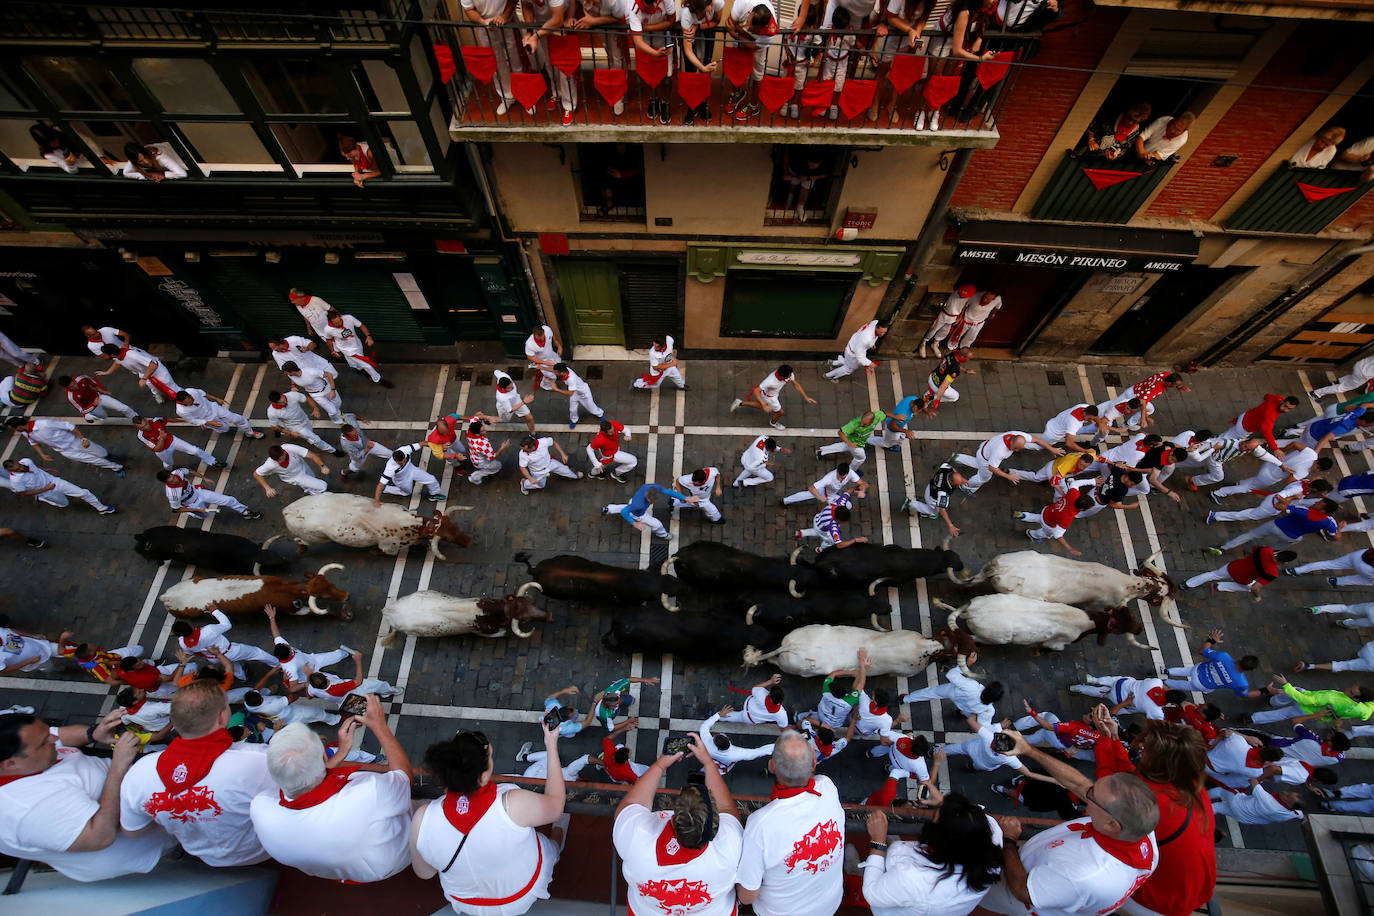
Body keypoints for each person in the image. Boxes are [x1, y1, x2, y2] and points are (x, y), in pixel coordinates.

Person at [979, 728, 1161, 916]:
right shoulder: (1137, 824)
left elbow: (1022, 890)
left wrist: (1009, 841)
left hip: (1011, 899)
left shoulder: (1085, 874)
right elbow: (1079, 784)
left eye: (1092, 795)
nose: (1084, 793)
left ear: (1112, 825)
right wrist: (1028, 750)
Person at [410, 721, 568, 914]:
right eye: (491, 757)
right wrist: (551, 746)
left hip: (467, 904)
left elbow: (424, 873)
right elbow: (556, 805)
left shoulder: (422, 820)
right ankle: (558, 841)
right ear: (483, 777)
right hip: (521, 894)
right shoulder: (513, 803)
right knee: (550, 841)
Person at [250, 698, 411, 882]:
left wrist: (341, 754)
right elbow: (404, 776)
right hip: (397, 855)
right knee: (421, 809)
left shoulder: (260, 808)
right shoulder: (368, 792)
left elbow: (308, 785)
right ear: (325, 758)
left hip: (348, 873)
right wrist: (380, 727)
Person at [0, 709, 170, 882]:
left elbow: (60, 735)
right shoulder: (25, 809)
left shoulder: (28, 745)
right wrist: (119, 767)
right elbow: (100, 836)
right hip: (140, 837)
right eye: (45, 742)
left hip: (127, 773)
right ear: (11, 764)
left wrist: (93, 733)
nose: (55, 740)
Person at [119, 679, 275, 866]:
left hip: (204, 857)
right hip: (264, 849)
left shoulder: (139, 774)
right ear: (222, 717)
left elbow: (132, 830)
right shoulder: (258, 760)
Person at [1089, 711, 1216, 916]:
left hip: (1155, 900)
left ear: (1159, 762)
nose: (1141, 750)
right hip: (1190, 892)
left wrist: (1106, 740)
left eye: (1145, 749)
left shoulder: (1151, 802)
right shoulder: (1189, 785)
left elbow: (1107, 789)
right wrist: (1113, 739)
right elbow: (1131, 779)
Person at [614, 732, 743, 916]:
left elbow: (628, 807)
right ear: (714, 824)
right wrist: (708, 763)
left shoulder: (638, 837)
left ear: (673, 818)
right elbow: (729, 811)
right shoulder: (730, 846)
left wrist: (660, 765)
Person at [735, 728, 844, 916]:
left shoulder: (761, 824)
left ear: (772, 766)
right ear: (814, 762)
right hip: (829, 905)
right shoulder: (827, 787)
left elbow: (746, 897)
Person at [862, 796, 1001, 916]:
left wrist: (878, 841)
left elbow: (871, 894)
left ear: (939, 841)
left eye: (934, 817)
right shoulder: (992, 846)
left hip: (894, 899)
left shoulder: (912, 878)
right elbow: (980, 819)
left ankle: (856, 871)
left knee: (872, 874)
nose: (932, 815)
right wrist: (944, 802)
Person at [258, 606, 356, 693]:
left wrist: (272, 618)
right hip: (310, 675)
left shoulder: (281, 646)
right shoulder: (289, 669)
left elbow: (276, 634)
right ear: (288, 652)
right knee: (333, 681)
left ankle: (350, 654)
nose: (288, 644)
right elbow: (292, 688)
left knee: (339, 654)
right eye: (287, 646)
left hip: (314, 659)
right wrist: (307, 682)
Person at [171, 608, 277, 681]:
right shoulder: (208, 630)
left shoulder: (182, 643)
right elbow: (227, 625)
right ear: (189, 626)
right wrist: (215, 611)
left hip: (213, 657)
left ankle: (243, 677)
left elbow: (192, 653)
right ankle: (277, 664)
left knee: (232, 666)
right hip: (229, 651)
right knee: (256, 652)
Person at [1207, 497, 1342, 553]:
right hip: (1292, 536)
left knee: (1250, 535)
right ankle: (1269, 552)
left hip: (1276, 526)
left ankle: (1223, 548)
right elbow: (1336, 537)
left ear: (1323, 509)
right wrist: (1340, 528)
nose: (1316, 503)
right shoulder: (1329, 522)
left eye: (1319, 504)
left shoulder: (1305, 511)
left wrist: (1283, 499)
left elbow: (1282, 507)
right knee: (1286, 544)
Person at [722, 0, 781, 123]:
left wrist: (736, 32)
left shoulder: (770, 32)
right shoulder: (742, 3)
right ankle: (737, 94)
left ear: (763, 27)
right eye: (749, 23)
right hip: (741, 35)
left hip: (754, 41)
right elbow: (730, 23)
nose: (749, 28)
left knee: (757, 74)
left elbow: (754, 46)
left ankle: (753, 106)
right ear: (751, 13)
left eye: (753, 29)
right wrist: (740, 32)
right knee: (736, 66)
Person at [521, 0, 578, 126]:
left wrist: (535, 36)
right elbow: (526, 6)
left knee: (564, 66)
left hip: (560, 22)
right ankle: (556, 93)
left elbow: (557, 19)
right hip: (541, 25)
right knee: (549, 61)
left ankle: (569, 105)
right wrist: (530, 31)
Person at [6, 416, 124, 475]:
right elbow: (34, 443)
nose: (15, 431)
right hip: (65, 451)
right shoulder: (26, 433)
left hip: (76, 442)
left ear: (19, 426)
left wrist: (82, 438)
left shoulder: (44, 424)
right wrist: (42, 454)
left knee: (101, 453)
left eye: (14, 429)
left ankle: (111, 456)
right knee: (93, 460)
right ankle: (116, 467)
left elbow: (68, 426)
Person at [1164, 630, 1262, 699]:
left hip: (1197, 670)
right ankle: (1166, 683)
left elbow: (1202, 651)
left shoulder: (1224, 657)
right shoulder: (1242, 683)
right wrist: (1265, 691)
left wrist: (1212, 640)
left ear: (1242, 658)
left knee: (1184, 670)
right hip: (1202, 685)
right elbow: (1245, 695)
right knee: (1185, 685)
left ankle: (1168, 671)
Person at [955, 431, 1060, 494]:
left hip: (985, 449)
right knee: (983, 478)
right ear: (1012, 443)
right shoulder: (1000, 451)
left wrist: (1051, 449)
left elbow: (1036, 440)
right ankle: (967, 486)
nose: (1017, 451)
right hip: (986, 460)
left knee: (977, 462)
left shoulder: (1018, 435)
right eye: (1016, 449)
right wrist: (1008, 476)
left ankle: (957, 457)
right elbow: (992, 468)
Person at [1250, 674, 1374, 726]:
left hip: (1305, 705)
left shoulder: (1332, 698)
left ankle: (1253, 718)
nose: (1346, 689)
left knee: (1282, 711)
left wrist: (1286, 684)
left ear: (1356, 698)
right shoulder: (1363, 709)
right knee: (1296, 690)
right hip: (1313, 711)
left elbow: (1306, 700)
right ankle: (1272, 701)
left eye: (1350, 692)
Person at [4, 457, 116, 514]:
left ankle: (102, 508)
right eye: (17, 469)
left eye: (19, 465)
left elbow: (35, 467)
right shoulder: (16, 481)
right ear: (10, 470)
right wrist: (45, 489)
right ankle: (43, 498)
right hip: (46, 492)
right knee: (64, 504)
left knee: (84, 492)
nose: (21, 468)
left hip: (55, 482)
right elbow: (24, 493)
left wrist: (46, 469)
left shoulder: (26, 461)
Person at [1184, 546, 1293, 600]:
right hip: (1243, 579)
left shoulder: (1266, 550)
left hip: (1234, 566)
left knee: (1213, 574)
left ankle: (1187, 584)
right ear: (1285, 562)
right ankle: (1218, 586)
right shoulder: (1272, 573)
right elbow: (1255, 588)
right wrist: (1257, 596)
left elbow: (1253, 549)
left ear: (1280, 552)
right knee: (1248, 588)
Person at [903, 667, 1002, 727]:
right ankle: (961, 713)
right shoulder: (989, 710)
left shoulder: (972, 686)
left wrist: (963, 667)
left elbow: (951, 675)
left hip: (952, 692)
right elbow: (983, 724)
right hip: (967, 709)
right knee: (968, 713)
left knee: (930, 693)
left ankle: (905, 699)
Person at [678, 0, 724, 125]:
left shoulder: (718, 2)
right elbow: (688, 51)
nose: (711, 8)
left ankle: (703, 104)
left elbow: (716, 21)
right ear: (698, 10)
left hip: (706, 30)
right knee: (691, 69)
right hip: (689, 32)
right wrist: (701, 67)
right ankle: (692, 106)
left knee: (706, 64)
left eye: (710, 4)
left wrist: (698, 27)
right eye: (707, 7)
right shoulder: (686, 14)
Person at [1186, 433, 1283, 491]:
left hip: (1214, 458)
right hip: (1215, 461)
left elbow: (1265, 455)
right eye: (1245, 446)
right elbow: (1210, 444)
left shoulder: (1253, 447)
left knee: (1193, 463)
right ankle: (1193, 481)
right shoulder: (1229, 443)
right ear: (1244, 441)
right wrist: (1194, 450)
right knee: (1218, 477)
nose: (1245, 450)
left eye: (1248, 449)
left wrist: (1281, 465)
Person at [603, 481, 698, 539]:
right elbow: (625, 512)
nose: (652, 502)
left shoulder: (653, 487)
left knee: (627, 506)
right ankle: (663, 535)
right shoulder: (638, 505)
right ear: (647, 497)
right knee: (657, 524)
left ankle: (608, 509)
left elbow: (669, 492)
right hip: (638, 514)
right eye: (651, 501)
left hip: (633, 503)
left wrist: (686, 498)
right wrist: (634, 523)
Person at [731, 364, 815, 430]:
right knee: (780, 412)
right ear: (782, 376)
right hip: (770, 397)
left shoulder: (788, 374)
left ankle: (739, 403)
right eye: (789, 376)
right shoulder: (770, 381)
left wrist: (806, 397)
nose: (791, 376)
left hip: (771, 394)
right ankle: (773, 423)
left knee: (760, 405)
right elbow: (756, 390)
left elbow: (796, 384)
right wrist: (764, 405)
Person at [1015, 487, 1094, 555]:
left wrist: (1093, 481)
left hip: (1047, 511)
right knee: (1046, 533)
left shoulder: (1074, 493)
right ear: (1082, 509)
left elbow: (1076, 483)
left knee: (1037, 517)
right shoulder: (1068, 517)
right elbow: (1058, 534)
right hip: (1049, 524)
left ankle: (1024, 515)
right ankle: (1033, 535)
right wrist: (1069, 548)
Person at [322, 310, 391, 387]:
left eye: (340, 321)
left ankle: (358, 369)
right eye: (336, 323)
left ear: (340, 317)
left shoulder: (349, 318)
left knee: (354, 363)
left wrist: (368, 336)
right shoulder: (328, 329)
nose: (339, 323)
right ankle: (378, 379)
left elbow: (361, 325)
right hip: (347, 350)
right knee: (366, 365)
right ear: (330, 322)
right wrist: (333, 351)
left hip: (357, 344)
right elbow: (328, 340)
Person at [159, 468, 260, 520]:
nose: (175, 480)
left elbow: (189, 471)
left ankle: (245, 512)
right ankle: (192, 513)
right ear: (166, 482)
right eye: (172, 481)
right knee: (206, 516)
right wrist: (196, 509)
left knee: (229, 500)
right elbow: (176, 509)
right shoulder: (172, 494)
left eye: (174, 477)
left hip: (198, 492)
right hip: (192, 504)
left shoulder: (178, 472)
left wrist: (204, 478)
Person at [700, 707, 776, 773]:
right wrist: (778, 746)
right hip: (721, 769)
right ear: (729, 742)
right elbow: (758, 752)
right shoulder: (735, 754)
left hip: (710, 766)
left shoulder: (707, 744)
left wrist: (718, 715)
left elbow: (704, 726)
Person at [267, 390, 343, 455]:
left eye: (285, 400)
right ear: (275, 403)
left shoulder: (292, 395)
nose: (286, 402)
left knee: (310, 433)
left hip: (304, 419)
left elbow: (307, 398)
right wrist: (290, 433)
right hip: (295, 427)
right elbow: (275, 426)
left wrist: (315, 408)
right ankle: (333, 451)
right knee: (316, 439)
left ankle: (283, 433)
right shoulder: (272, 412)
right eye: (282, 403)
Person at [901, 461, 966, 536]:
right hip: (932, 499)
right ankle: (910, 503)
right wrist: (950, 525)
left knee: (933, 511)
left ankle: (925, 513)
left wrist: (962, 479)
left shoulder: (945, 468)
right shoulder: (943, 492)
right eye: (958, 484)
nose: (959, 484)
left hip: (930, 488)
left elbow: (953, 471)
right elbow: (942, 509)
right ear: (951, 482)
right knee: (933, 511)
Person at [135, 414, 219, 470]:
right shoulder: (141, 436)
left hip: (173, 441)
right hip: (163, 451)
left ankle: (212, 461)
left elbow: (168, 420)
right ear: (137, 427)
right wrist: (162, 439)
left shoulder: (156, 420)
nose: (146, 427)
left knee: (195, 450)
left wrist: (185, 421)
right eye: (142, 427)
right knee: (168, 464)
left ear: (146, 420)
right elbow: (157, 449)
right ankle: (170, 471)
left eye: (146, 424)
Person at [1077, 101, 1153, 161]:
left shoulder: (1136, 132)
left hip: (1102, 163)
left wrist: (1115, 155)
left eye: (1135, 121)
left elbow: (1124, 149)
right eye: (1129, 118)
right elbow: (1092, 128)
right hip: (1086, 155)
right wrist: (1091, 140)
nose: (1131, 123)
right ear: (1127, 113)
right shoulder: (1111, 117)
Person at [1222, 393, 1300, 452]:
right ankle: (1213, 446)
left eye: (1289, 409)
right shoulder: (1270, 415)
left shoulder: (1278, 398)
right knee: (1227, 440)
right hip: (1244, 427)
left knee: (1229, 434)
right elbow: (1267, 432)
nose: (1285, 410)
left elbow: (1267, 396)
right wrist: (1275, 449)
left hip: (1245, 417)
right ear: (1283, 401)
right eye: (1285, 406)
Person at [174, 387, 261, 439]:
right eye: (188, 402)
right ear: (183, 403)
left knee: (236, 418)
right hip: (206, 418)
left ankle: (250, 432)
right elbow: (192, 420)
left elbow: (203, 394)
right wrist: (207, 422)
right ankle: (206, 425)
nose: (191, 401)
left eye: (190, 398)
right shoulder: (181, 411)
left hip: (213, 408)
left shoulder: (191, 391)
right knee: (225, 428)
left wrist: (217, 398)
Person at [281, 360, 346, 424]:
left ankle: (339, 414)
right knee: (332, 411)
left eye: (286, 372)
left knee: (338, 403)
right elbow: (293, 379)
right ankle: (337, 421)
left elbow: (329, 375)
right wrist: (293, 386)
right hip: (316, 395)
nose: (285, 374)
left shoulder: (311, 371)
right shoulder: (290, 375)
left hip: (327, 388)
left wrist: (332, 390)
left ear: (292, 371)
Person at [796, 493, 866, 552]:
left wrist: (856, 488)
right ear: (838, 520)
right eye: (842, 522)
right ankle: (820, 549)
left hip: (817, 518)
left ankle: (801, 533)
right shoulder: (833, 526)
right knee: (829, 541)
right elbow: (839, 545)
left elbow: (848, 492)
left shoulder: (837, 504)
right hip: (821, 529)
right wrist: (855, 540)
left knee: (816, 531)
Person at [817, 409, 886, 468]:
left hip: (858, 439)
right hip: (856, 443)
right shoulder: (854, 424)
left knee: (844, 446)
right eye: (861, 422)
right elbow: (840, 432)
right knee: (861, 458)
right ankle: (851, 471)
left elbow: (885, 413)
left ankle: (822, 451)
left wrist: (895, 417)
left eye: (864, 424)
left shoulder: (877, 416)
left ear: (872, 421)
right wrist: (849, 443)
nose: (861, 425)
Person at [1209, 783, 1304, 826]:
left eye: (1287, 796)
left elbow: (1253, 780)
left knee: (1223, 790)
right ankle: (1197, 816)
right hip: (1245, 818)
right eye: (1289, 793)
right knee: (1218, 807)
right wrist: (1303, 819)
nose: (1285, 792)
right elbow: (1300, 815)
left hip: (1239, 805)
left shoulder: (1268, 801)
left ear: (1290, 805)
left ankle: (1198, 795)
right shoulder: (1292, 813)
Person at [255, 443, 330, 498]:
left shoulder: (290, 447)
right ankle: (317, 497)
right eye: (276, 460)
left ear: (284, 453)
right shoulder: (270, 464)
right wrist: (267, 488)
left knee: (312, 480)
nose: (279, 462)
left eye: (280, 459)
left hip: (303, 467)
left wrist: (322, 466)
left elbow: (312, 455)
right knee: (323, 486)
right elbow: (256, 474)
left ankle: (309, 490)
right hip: (296, 477)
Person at [591, 718, 650, 784]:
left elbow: (607, 739)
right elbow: (635, 782)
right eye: (629, 755)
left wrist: (624, 728)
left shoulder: (610, 752)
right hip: (617, 776)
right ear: (626, 762)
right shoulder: (628, 772)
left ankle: (601, 763)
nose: (630, 751)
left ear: (616, 752)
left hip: (611, 770)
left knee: (619, 745)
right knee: (646, 769)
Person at [921, 285, 974, 357]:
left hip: (953, 317)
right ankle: (923, 343)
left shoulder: (968, 298)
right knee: (933, 330)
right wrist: (936, 318)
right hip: (943, 314)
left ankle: (935, 344)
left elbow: (964, 306)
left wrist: (960, 317)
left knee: (944, 332)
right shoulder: (952, 294)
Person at [719, 673, 790, 728]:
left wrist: (770, 681)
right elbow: (783, 725)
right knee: (733, 717)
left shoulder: (762, 695)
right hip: (749, 719)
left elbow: (755, 688)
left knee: (726, 715)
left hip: (747, 706)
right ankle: (720, 717)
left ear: (770, 695)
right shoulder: (781, 713)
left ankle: (718, 716)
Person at [59, 373, 137, 423]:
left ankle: (136, 419)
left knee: (124, 408)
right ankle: (88, 417)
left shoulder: (81, 378)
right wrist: (93, 405)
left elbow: (93, 383)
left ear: (73, 379)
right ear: (67, 387)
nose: (75, 386)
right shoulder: (71, 397)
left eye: (74, 383)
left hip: (99, 397)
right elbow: (82, 410)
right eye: (72, 387)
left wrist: (103, 390)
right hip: (92, 408)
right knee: (104, 417)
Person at [782, 460, 866, 506]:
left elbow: (862, 484)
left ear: (847, 473)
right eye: (839, 476)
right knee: (806, 495)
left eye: (842, 477)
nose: (840, 478)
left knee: (848, 505)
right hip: (824, 492)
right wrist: (821, 498)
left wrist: (862, 491)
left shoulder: (851, 473)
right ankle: (785, 501)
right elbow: (812, 488)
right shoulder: (829, 478)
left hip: (832, 494)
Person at [1283, 546, 1374, 588]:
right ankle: (1336, 581)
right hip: (1368, 568)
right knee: (1369, 581)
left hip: (1360, 555)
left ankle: (1295, 570)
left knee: (1329, 563)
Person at [553, 361, 604, 429]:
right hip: (575, 393)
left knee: (591, 408)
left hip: (584, 393)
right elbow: (553, 370)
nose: (555, 373)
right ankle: (574, 420)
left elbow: (570, 393)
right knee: (572, 409)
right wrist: (541, 367)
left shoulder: (571, 379)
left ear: (561, 372)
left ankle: (600, 414)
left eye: (556, 372)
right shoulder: (565, 370)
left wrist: (557, 389)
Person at [587, 418, 637, 482]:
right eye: (610, 432)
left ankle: (592, 474)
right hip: (609, 455)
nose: (613, 432)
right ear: (604, 432)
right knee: (633, 461)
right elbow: (589, 449)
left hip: (612, 449)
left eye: (613, 429)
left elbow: (626, 429)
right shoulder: (599, 440)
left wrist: (628, 435)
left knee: (601, 465)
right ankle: (616, 474)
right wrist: (596, 464)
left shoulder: (614, 424)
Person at [268, 335, 336, 380]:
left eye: (274, 347)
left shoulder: (294, 339)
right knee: (323, 385)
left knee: (333, 375)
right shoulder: (275, 354)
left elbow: (313, 344)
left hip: (317, 362)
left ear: (280, 343)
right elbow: (284, 368)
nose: (274, 350)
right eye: (272, 348)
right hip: (305, 373)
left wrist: (307, 348)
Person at [464, 417, 508, 486]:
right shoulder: (483, 445)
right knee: (498, 466)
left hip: (474, 456)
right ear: (477, 433)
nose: (485, 431)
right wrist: (502, 448)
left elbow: (475, 417)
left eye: (484, 428)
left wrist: (485, 417)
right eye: (482, 431)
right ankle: (475, 476)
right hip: (482, 462)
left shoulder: (470, 429)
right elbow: (492, 457)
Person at [494, 369, 537, 434]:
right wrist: (524, 402)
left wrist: (522, 402)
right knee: (504, 420)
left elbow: (496, 371)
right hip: (505, 408)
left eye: (512, 385)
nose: (512, 388)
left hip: (516, 401)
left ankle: (533, 433)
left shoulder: (503, 376)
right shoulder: (502, 398)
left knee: (529, 417)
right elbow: (510, 410)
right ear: (503, 389)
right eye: (509, 388)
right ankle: (485, 417)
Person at [524, 324, 563, 396]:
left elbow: (553, 338)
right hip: (541, 361)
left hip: (552, 355)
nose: (542, 339)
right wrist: (545, 362)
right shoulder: (529, 344)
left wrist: (559, 346)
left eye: (543, 336)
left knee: (558, 365)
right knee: (551, 376)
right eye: (539, 337)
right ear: (534, 335)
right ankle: (546, 385)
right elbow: (530, 357)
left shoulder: (547, 329)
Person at [120, 141, 188, 181]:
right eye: (140, 161)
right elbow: (126, 173)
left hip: (179, 153)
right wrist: (147, 175)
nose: (146, 162)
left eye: (145, 157)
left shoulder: (158, 155)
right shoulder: (133, 160)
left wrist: (164, 175)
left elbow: (182, 174)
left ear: (146, 152)